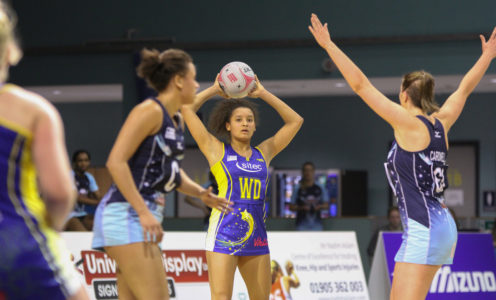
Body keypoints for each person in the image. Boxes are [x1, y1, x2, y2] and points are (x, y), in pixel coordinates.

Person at [309, 13, 496, 300]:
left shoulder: (407, 123)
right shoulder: (441, 122)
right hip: (442, 224)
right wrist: (488, 57)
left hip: (424, 225)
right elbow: (465, 89)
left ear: (404, 94)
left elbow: (361, 86)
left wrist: (329, 45)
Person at [91, 48, 231, 300]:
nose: (197, 84)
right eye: (194, 78)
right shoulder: (149, 111)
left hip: (138, 217)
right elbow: (116, 162)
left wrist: (202, 194)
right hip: (126, 214)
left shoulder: (174, 120)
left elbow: (172, 173)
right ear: (178, 80)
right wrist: (143, 212)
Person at [182, 75, 303, 299]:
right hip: (223, 233)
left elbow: (295, 121)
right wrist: (214, 90)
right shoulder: (216, 150)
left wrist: (263, 93)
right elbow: (186, 109)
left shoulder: (264, 153)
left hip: (257, 234)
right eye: (239, 119)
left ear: (255, 126)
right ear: (228, 125)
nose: (245, 123)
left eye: (249, 119)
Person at [0, 2, 89, 299]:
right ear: (10, 50)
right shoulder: (32, 111)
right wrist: (48, 230)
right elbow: (60, 194)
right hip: (14, 242)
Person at [65, 149, 101, 231]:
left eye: (86, 160)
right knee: (82, 233)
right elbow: (76, 198)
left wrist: (104, 201)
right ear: (74, 163)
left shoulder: (89, 177)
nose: (83, 163)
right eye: (80, 161)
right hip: (68, 215)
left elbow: (98, 195)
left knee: (99, 229)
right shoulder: (69, 175)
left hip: (83, 214)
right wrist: (98, 202)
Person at [289, 161, 329, 230]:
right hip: (301, 225)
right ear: (302, 172)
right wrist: (301, 208)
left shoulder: (320, 187)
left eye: (310, 170)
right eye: (306, 170)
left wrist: (319, 207)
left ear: (313, 172)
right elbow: (291, 207)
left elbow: (326, 205)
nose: (308, 173)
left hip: (317, 225)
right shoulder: (297, 188)